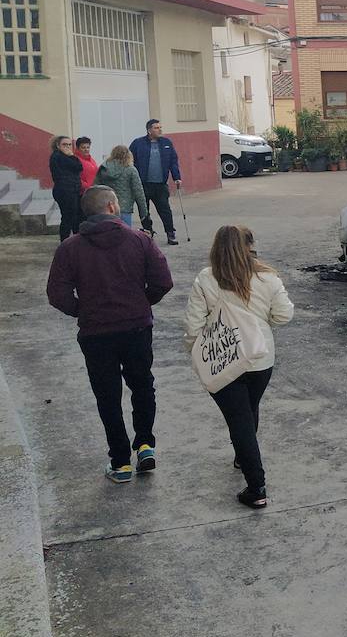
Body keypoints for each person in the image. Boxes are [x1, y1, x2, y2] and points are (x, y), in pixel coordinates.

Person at [46, 185, 173, 483]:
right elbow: (163, 281)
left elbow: (57, 293)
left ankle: (120, 463)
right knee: (143, 386)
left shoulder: (70, 248)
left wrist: (83, 310)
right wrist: (142, 302)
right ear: (113, 207)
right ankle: (145, 445)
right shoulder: (139, 240)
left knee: (108, 396)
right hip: (136, 327)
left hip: (96, 333)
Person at [185, 226, 293, 509]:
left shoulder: (206, 279)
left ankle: (256, 487)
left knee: (239, 419)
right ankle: (242, 455)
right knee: (248, 408)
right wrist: (261, 322)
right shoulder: (268, 277)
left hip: (223, 360)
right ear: (251, 246)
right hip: (260, 358)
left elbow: (193, 325)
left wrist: (198, 355)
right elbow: (284, 314)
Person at [130, 118, 181, 246]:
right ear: (149, 130)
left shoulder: (166, 143)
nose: (159, 130)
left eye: (160, 127)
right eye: (156, 128)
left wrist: (177, 177)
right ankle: (148, 231)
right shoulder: (138, 143)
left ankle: (170, 233)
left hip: (160, 184)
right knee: (144, 210)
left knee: (165, 209)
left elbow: (173, 162)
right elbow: (129, 160)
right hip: (143, 184)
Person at [95, 145, 150, 230]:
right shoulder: (131, 170)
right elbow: (139, 193)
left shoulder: (103, 168)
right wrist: (144, 213)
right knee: (125, 237)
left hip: (106, 208)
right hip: (125, 209)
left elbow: (95, 188)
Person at [48, 135, 83, 241]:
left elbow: (79, 167)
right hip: (64, 191)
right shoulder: (57, 156)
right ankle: (65, 241)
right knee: (68, 217)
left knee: (75, 216)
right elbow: (76, 166)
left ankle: (75, 240)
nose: (67, 147)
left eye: (69, 144)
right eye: (64, 144)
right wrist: (72, 156)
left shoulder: (66, 156)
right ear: (58, 146)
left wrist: (72, 156)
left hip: (73, 190)